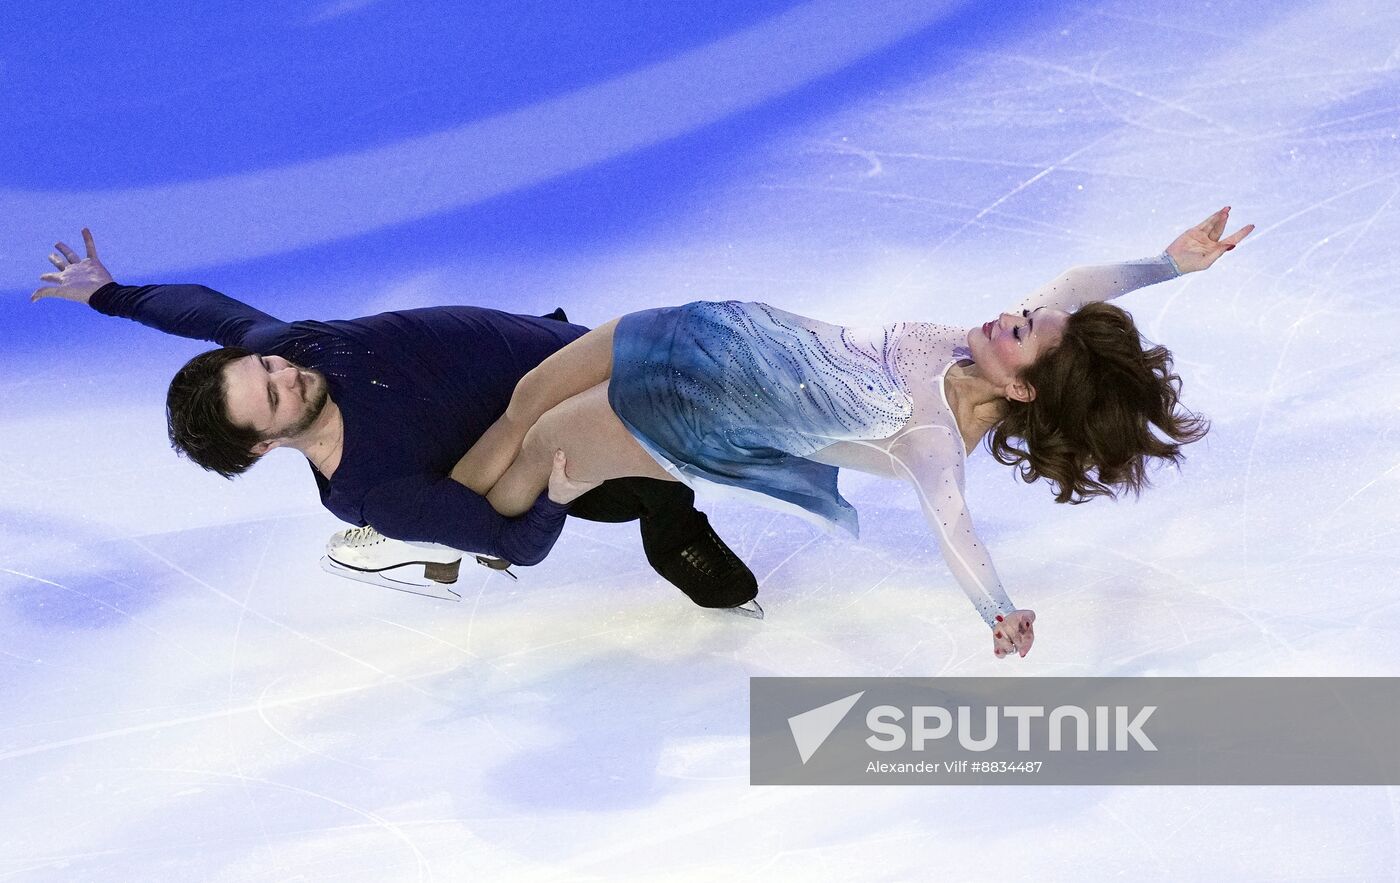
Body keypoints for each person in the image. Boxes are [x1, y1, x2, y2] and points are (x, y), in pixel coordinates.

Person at [449, 208, 1255, 659]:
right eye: (1023, 312)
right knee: (525, 397)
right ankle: (428, 513)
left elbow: (956, 533)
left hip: (683, 411)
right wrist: (1168, 264)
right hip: (700, 327)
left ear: (1019, 384)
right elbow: (1078, 285)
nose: (1010, 313)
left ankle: (450, 531)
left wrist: (999, 614)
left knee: (539, 448)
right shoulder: (980, 350)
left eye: (1020, 330)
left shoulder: (932, 437)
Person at [30, 230, 760, 611]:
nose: (287, 370)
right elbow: (517, 542)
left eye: (267, 368)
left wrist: (109, 294)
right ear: (263, 445)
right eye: (276, 394)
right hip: (559, 439)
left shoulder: (291, 348)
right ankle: (673, 525)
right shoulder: (373, 487)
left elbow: (206, 311)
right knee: (656, 461)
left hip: (546, 344)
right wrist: (555, 491)